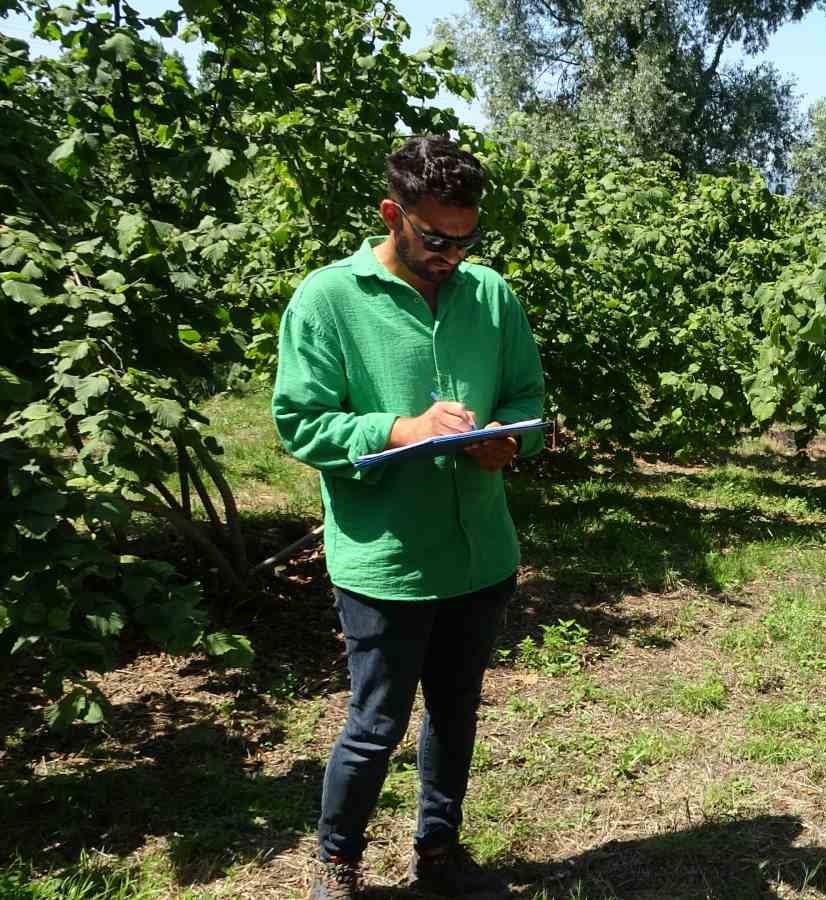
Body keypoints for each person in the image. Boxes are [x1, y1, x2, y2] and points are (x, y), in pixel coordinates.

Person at [272, 135, 545, 900]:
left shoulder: (491, 296)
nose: (452, 253)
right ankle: (337, 861)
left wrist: (507, 442)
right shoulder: (328, 299)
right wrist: (399, 429)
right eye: (435, 237)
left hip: (479, 553)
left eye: (467, 237)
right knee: (375, 724)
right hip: (387, 564)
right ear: (393, 214)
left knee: (455, 714)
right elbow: (300, 423)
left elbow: (526, 398)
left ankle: (439, 851)